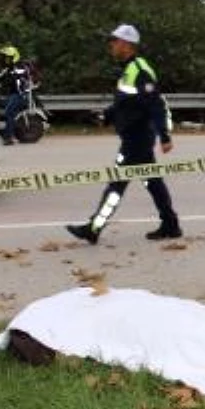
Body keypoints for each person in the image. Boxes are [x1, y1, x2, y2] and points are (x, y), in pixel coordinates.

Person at [66, 24, 181, 244]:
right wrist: (105, 116)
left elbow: (154, 104)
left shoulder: (140, 69)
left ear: (126, 44)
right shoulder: (128, 70)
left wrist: (164, 136)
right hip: (133, 137)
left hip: (137, 140)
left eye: (114, 41)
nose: (111, 45)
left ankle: (94, 228)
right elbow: (127, 104)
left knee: (116, 186)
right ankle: (170, 224)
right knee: (152, 182)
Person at [0, 45, 34, 145]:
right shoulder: (10, 68)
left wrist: (5, 78)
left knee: (9, 112)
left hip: (20, 95)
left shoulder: (20, 67)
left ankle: (9, 138)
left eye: (8, 58)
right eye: (5, 58)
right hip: (13, 95)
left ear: (14, 57)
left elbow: (16, 76)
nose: (6, 60)